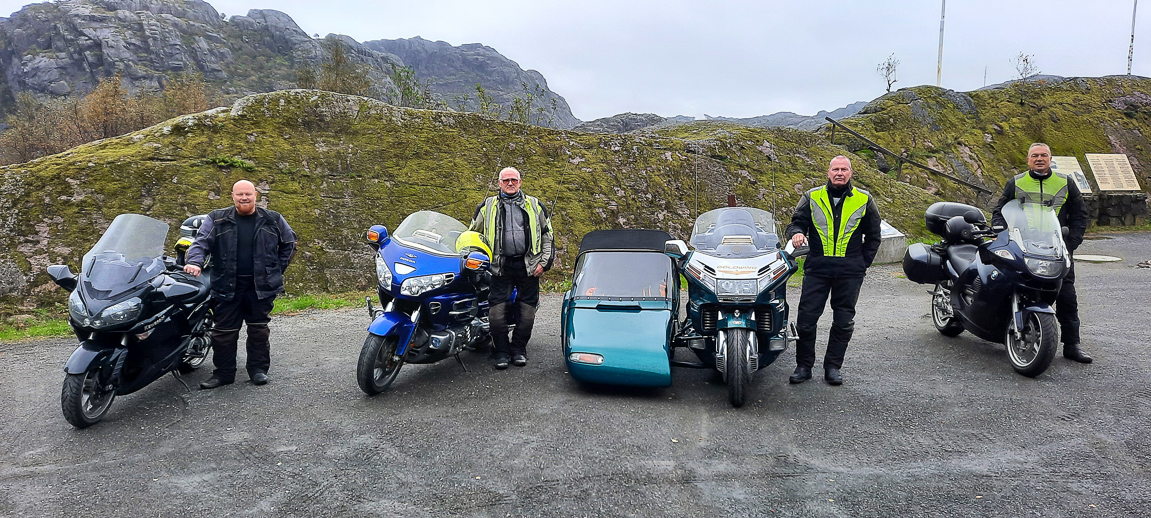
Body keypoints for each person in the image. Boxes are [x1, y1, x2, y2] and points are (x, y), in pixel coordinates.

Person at [184, 180, 297, 388]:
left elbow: (289, 244)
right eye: (239, 194)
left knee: (258, 330)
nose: (244, 197)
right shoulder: (217, 218)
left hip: (259, 286)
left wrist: (274, 270)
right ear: (233, 196)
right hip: (227, 284)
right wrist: (194, 262)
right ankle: (223, 374)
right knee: (223, 332)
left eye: (248, 194)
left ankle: (258, 370)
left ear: (255, 195)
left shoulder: (273, 219)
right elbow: (201, 242)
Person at [785, 156, 883, 386]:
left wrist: (862, 264)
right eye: (836, 169)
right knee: (806, 320)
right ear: (828, 172)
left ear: (851, 173)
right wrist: (796, 233)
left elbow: (874, 236)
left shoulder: (864, 199)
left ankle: (833, 367)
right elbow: (795, 223)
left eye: (844, 169)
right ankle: (803, 366)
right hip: (817, 269)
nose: (840, 173)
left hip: (850, 273)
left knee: (843, 322)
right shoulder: (812, 196)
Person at [991, 143, 1091, 363]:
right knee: (1012, 285)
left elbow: (1079, 215)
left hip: (1056, 246)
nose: (1039, 159)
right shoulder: (1016, 182)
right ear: (1028, 160)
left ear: (1050, 159)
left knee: (1066, 295)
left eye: (1044, 155)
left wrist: (1070, 243)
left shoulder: (1066, 182)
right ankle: (1007, 330)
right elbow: (999, 211)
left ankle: (1072, 345)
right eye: (1035, 155)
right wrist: (999, 230)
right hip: (1023, 244)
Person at [470, 167, 554, 369]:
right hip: (500, 267)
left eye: (514, 180)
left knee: (527, 312)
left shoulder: (535, 205)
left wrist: (544, 262)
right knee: (496, 313)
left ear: (520, 182)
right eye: (506, 180)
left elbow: (547, 235)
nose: (510, 183)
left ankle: (518, 350)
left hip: (529, 266)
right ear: (499, 183)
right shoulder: (486, 206)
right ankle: (501, 351)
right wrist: (477, 261)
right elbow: (472, 236)